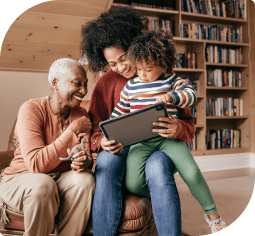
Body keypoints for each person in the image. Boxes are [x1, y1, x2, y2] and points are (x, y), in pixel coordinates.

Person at [80, 6, 195, 236]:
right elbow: (95, 128)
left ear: (133, 46)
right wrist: (101, 142)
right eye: (112, 64)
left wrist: (177, 128)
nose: (121, 67)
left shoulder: (161, 72)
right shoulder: (105, 83)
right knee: (106, 163)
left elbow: (189, 126)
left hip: (160, 145)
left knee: (158, 166)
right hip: (122, 147)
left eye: (123, 58)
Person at [111, 29, 226, 234]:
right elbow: (118, 114)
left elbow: (191, 95)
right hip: (141, 141)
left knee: (191, 172)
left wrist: (173, 97)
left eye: (148, 69)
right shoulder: (130, 86)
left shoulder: (172, 80)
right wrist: (112, 133)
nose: (142, 75)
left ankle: (214, 218)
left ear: (163, 65)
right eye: (138, 69)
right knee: (132, 182)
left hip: (168, 139)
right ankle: (163, 198)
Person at [0, 58, 95, 236]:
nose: (84, 91)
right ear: (55, 83)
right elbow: (36, 165)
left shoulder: (81, 113)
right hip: (22, 178)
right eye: (77, 83)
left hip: (59, 178)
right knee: (43, 184)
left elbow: (86, 157)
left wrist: (84, 162)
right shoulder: (31, 109)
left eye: (85, 85)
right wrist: (72, 131)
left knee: (85, 179)